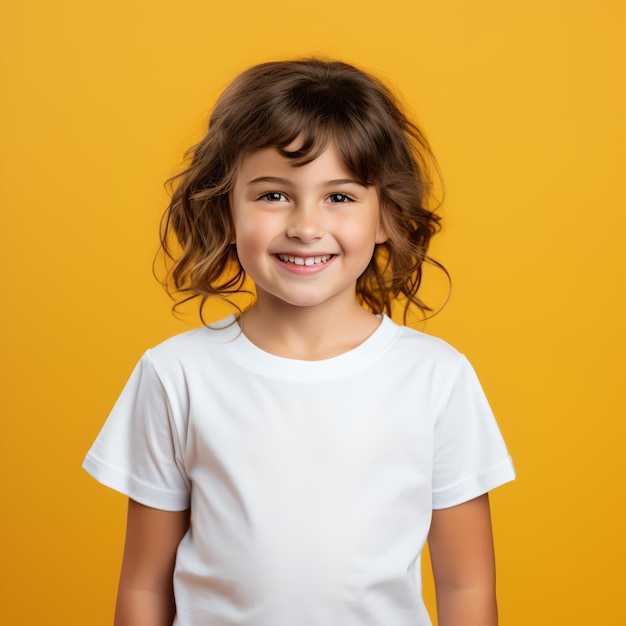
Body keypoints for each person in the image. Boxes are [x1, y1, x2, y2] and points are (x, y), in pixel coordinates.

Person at [83, 58, 515, 626]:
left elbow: (466, 587)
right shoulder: (176, 374)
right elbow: (143, 587)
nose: (306, 226)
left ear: (385, 215)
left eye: (339, 197)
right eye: (272, 195)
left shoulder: (436, 378)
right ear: (225, 208)